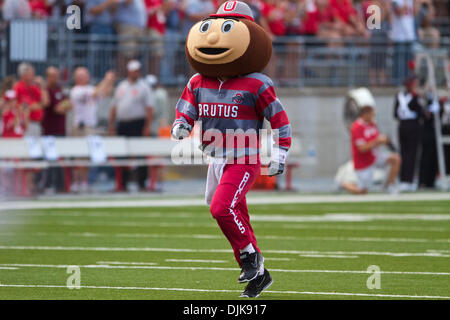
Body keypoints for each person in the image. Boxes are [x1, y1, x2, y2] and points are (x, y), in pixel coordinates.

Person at [172, 1, 291, 298]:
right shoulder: (198, 80)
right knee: (233, 211)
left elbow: (279, 120)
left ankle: (250, 258)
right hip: (216, 159)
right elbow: (186, 112)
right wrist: (181, 124)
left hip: (244, 158)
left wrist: (280, 152)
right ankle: (260, 275)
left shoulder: (258, 83)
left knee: (221, 208)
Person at [108, 60, 154, 191]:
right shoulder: (121, 86)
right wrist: (112, 123)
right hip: (123, 123)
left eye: (137, 70)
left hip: (137, 122)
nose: (135, 73)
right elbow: (114, 106)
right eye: (133, 70)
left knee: (141, 153)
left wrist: (147, 126)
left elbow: (149, 108)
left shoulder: (144, 87)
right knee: (122, 154)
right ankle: (122, 183)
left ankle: (141, 183)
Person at [70, 67, 116, 192]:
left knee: (87, 156)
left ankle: (84, 182)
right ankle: (76, 182)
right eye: (83, 75)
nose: (86, 76)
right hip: (80, 127)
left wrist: (110, 81)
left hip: (90, 126)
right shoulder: (76, 90)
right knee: (78, 156)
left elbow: (103, 93)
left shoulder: (89, 88)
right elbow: (96, 92)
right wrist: (106, 80)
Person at [351, 106, 401, 194]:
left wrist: (385, 141)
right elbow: (361, 148)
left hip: (375, 156)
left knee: (395, 159)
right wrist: (377, 141)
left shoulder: (372, 124)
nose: (373, 117)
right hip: (363, 162)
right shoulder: (356, 127)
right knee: (362, 191)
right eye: (371, 114)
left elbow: (376, 139)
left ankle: (390, 185)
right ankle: (343, 183)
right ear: (365, 114)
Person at [41, 66, 72, 193]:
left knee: (61, 160)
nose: (56, 78)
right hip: (49, 131)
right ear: (48, 77)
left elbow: (69, 104)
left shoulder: (59, 90)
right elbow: (56, 108)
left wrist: (63, 105)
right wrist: (63, 105)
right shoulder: (46, 91)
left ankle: (60, 185)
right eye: (53, 75)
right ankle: (49, 185)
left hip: (61, 130)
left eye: (57, 75)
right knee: (50, 160)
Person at [393, 75, 424, 192]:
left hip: (402, 126)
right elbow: (421, 113)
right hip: (413, 126)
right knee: (412, 154)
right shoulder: (415, 97)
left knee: (404, 153)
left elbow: (395, 114)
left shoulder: (399, 96)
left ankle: (403, 179)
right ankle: (409, 180)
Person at [14, 62, 48, 137]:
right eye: (31, 73)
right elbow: (20, 106)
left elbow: (45, 102)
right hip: (26, 123)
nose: (33, 75)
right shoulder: (17, 87)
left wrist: (42, 86)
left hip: (37, 123)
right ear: (23, 75)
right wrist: (34, 106)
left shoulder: (34, 87)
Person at [390, 0, 416, 85]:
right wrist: (405, 4)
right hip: (399, 37)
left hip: (409, 36)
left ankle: (408, 83)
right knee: (399, 64)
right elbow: (399, 13)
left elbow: (415, 13)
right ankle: (397, 83)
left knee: (409, 64)